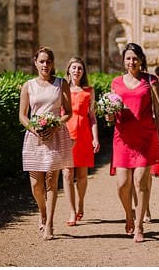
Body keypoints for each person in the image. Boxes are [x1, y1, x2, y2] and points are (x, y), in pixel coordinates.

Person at [106, 43, 159, 243]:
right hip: (122, 138)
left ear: (141, 60)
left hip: (145, 137)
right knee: (122, 184)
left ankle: (139, 225)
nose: (131, 62)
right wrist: (108, 116)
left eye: (135, 58)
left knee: (141, 182)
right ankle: (128, 214)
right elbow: (111, 113)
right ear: (123, 61)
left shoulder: (150, 81)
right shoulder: (115, 82)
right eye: (128, 58)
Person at [18, 46, 73, 240]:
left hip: (55, 135)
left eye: (48, 61)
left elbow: (68, 111)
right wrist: (34, 128)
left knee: (51, 181)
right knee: (36, 185)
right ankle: (42, 211)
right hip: (35, 138)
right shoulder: (28, 86)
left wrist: (55, 125)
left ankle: (49, 223)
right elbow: (23, 116)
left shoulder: (61, 83)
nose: (45, 65)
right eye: (41, 61)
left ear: (52, 63)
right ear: (35, 63)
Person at [63, 57, 99, 227]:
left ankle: (81, 203)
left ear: (83, 72)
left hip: (84, 135)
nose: (77, 71)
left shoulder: (89, 91)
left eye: (80, 68)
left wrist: (95, 138)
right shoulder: (62, 90)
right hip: (66, 135)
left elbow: (92, 117)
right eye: (74, 68)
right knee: (67, 174)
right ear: (68, 70)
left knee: (82, 175)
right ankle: (71, 210)